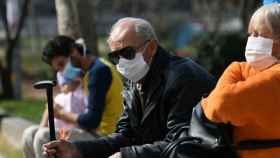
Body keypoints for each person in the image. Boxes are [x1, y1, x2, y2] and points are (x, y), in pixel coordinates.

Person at [43, 17, 215, 158]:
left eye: (127, 53)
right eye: (115, 56)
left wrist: (127, 155)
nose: (122, 62)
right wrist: (77, 150)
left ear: (152, 47)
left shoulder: (183, 77)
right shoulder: (136, 81)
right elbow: (126, 137)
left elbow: (185, 145)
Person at [201, 4, 280, 158]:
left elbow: (219, 105)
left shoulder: (275, 76)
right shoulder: (239, 68)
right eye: (250, 34)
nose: (251, 39)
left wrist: (207, 102)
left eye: (257, 34)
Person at [22, 66, 89, 158]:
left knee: (42, 135)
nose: (64, 84)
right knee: (29, 132)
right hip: (57, 130)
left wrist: (61, 113)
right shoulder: (58, 98)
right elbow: (44, 123)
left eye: (67, 82)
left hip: (72, 132)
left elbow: (86, 120)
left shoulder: (82, 95)